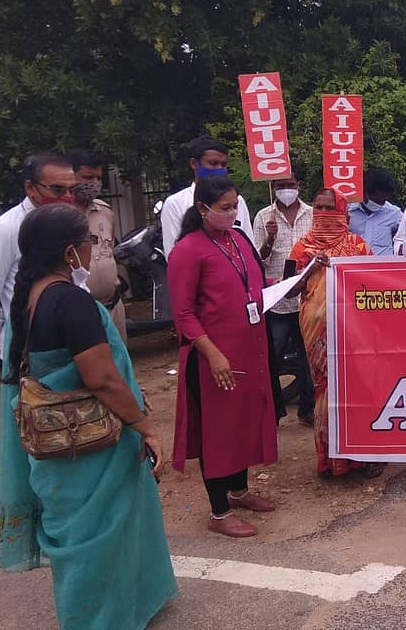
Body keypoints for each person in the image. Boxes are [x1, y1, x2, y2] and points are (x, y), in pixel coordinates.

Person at [0, 203, 177, 629]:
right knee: (101, 538)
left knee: (78, 539)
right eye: (89, 242)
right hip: (90, 445)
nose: (94, 249)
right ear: (72, 252)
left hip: (53, 446)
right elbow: (105, 380)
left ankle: (101, 613)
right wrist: (146, 427)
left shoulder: (28, 297)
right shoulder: (71, 302)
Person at [168, 176, 278, 538]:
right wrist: (213, 355)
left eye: (235, 206)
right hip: (213, 357)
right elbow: (183, 314)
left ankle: (239, 490)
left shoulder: (239, 239)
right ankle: (218, 510)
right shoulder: (188, 250)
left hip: (248, 350)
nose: (233, 213)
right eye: (225, 208)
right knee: (218, 432)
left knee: (243, 422)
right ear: (202, 209)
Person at [287, 188, 382, 478]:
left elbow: (373, 283)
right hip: (315, 329)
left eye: (331, 208)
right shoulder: (301, 247)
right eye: (320, 207)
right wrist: (309, 267)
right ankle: (330, 459)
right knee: (326, 390)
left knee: (356, 387)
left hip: (353, 329)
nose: (325, 214)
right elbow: (288, 289)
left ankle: (365, 456)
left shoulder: (359, 246)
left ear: (343, 212)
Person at [0, 153, 77, 358]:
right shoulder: (5, 230)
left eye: (72, 189)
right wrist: (10, 341)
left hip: (70, 343)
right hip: (28, 351)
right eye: (57, 189)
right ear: (30, 188)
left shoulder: (66, 223)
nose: (67, 196)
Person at [253, 171, 315, 426]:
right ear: (273, 187)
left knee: (308, 358)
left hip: (306, 298)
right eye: (281, 185)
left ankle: (307, 409)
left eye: (290, 184)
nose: (286, 189)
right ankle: (273, 412)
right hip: (276, 302)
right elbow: (258, 260)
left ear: (298, 185)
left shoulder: (312, 214)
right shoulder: (263, 217)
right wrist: (269, 240)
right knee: (271, 359)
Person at [66, 149, 128, 343]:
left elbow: (109, 251)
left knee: (120, 367)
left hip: (113, 306)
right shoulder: (58, 217)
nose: (94, 183)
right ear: (70, 176)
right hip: (80, 311)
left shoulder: (104, 212)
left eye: (98, 178)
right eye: (87, 177)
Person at [161, 136, 254, 257]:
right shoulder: (175, 203)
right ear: (194, 164)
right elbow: (173, 254)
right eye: (213, 163)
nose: (219, 169)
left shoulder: (237, 200)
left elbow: (249, 247)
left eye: (223, 164)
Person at [348, 167, 403, 255]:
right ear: (364, 192)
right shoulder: (347, 212)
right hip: (353, 266)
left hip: (383, 267)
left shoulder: (394, 214)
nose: (380, 204)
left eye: (383, 201)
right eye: (377, 200)